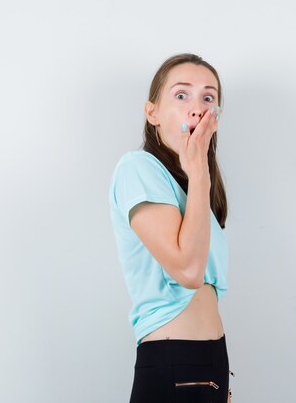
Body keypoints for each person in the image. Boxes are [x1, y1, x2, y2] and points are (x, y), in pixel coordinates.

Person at [108, 53, 234, 403]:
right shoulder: (137, 168)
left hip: (210, 364)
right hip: (174, 364)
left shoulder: (195, 189)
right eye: (181, 95)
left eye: (208, 98)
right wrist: (199, 173)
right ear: (152, 113)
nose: (197, 108)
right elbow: (189, 271)